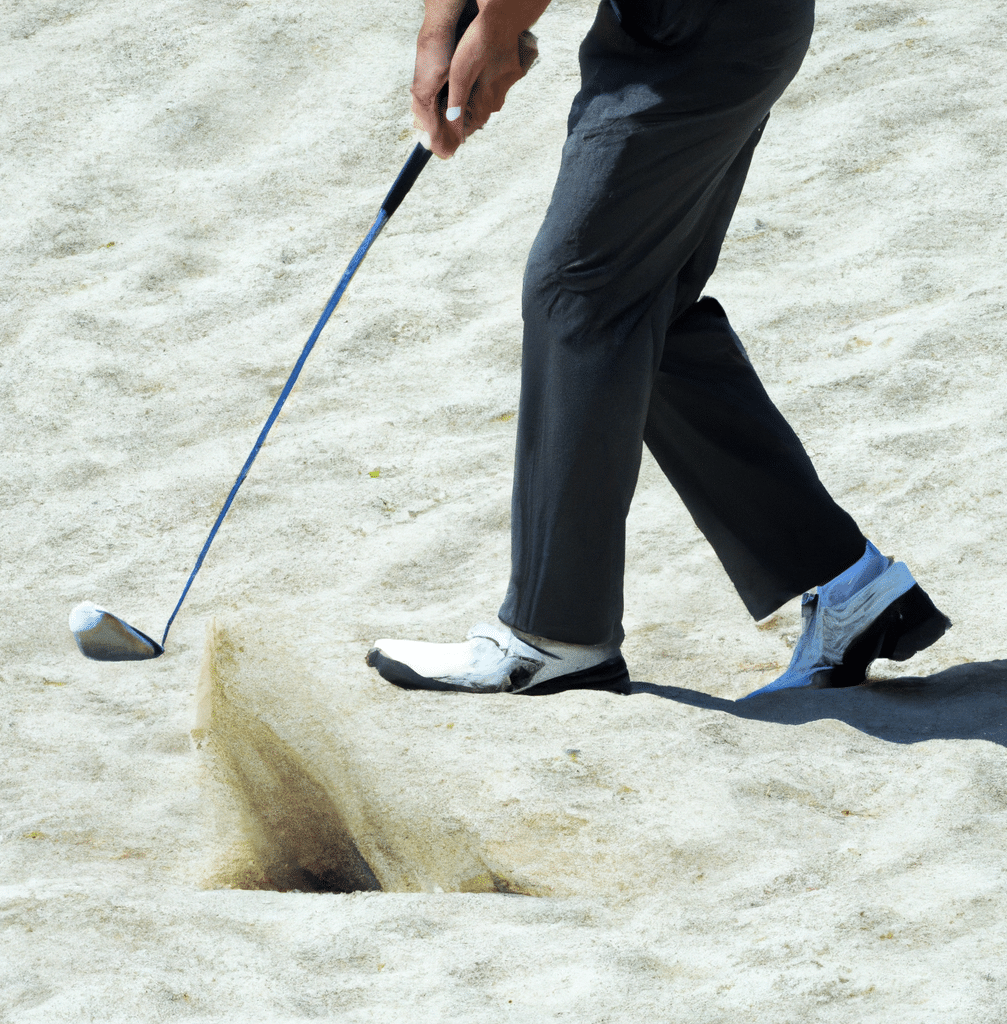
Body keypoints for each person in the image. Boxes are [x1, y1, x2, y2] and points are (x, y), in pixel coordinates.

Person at [365, 0, 951, 697]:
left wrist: (494, 31)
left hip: (702, 27)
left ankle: (555, 636)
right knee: (648, 305)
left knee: (579, 293)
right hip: (686, 24)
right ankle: (851, 587)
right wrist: (446, 31)